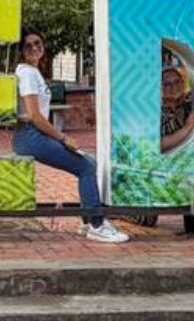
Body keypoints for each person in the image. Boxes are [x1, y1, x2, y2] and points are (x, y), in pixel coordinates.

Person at [14, 30, 128, 244]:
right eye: (28, 46)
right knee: (85, 167)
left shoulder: (32, 71)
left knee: (89, 163)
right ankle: (96, 225)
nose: (34, 48)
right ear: (21, 51)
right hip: (31, 136)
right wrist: (63, 138)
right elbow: (34, 116)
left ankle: (87, 222)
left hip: (32, 135)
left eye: (38, 43)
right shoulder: (27, 74)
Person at [159, 64, 194, 153]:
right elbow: (160, 144)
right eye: (167, 84)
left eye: (177, 82)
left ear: (183, 83)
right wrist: (186, 128)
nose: (173, 87)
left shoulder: (190, 105)